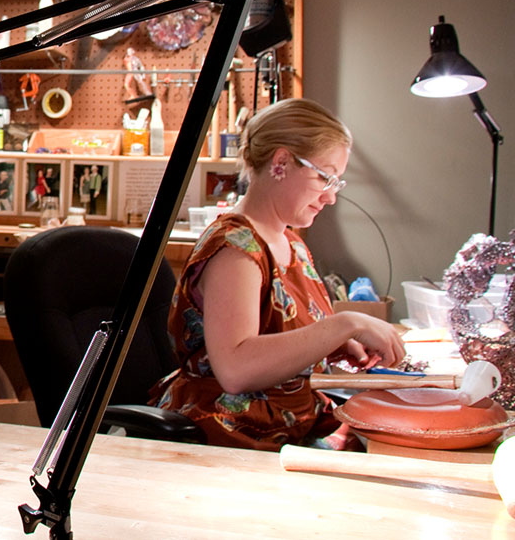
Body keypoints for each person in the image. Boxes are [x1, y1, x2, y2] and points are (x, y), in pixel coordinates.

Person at [149, 99, 405, 451]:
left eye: (337, 182)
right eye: (324, 177)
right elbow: (236, 369)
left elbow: (281, 337)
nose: (331, 196)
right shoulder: (235, 248)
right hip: (236, 433)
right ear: (281, 162)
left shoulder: (292, 245)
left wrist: (331, 344)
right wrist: (341, 325)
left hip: (292, 421)